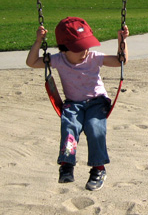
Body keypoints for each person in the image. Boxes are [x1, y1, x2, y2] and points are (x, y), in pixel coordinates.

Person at [26, 16, 129, 191]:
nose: (85, 50)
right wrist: (38, 41)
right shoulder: (58, 59)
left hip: (97, 102)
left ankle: (98, 168)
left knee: (95, 128)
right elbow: (32, 62)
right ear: (64, 49)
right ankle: (67, 164)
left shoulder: (94, 57)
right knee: (69, 127)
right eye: (79, 47)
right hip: (73, 104)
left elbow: (121, 61)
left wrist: (122, 40)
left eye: (86, 45)